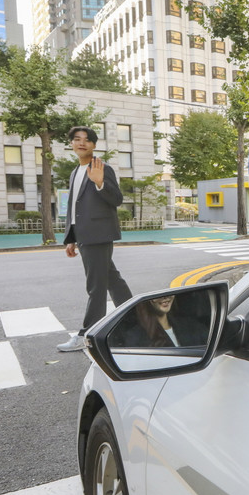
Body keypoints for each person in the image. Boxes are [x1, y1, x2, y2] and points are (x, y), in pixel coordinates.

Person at [57, 126, 133, 352]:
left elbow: (117, 199)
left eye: (87, 140)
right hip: (84, 234)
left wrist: (100, 183)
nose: (81, 143)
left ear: (94, 145)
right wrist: (71, 237)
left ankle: (87, 335)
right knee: (111, 280)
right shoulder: (75, 172)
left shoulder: (102, 167)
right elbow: (74, 207)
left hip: (98, 234)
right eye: (77, 139)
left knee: (96, 286)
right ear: (71, 144)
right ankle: (135, 317)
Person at [122, 295, 208, 347]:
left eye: (170, 293)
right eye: (156, 296)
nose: (165, 298)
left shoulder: (191, 326)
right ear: (147, 300)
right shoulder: (135, 336)